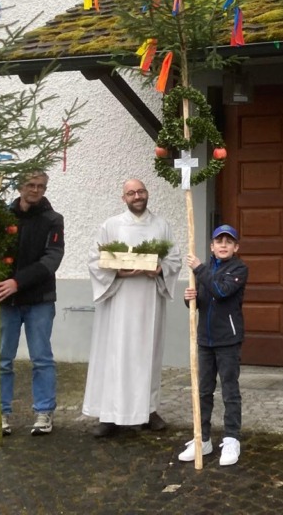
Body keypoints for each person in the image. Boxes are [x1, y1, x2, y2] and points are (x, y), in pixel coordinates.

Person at [82, 178, 181, 437]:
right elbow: (95, 260)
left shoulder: (161, 226)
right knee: (114, 355)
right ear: (123, 198)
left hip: (149, 300)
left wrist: (160, 268)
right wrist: (118, 272)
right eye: (131, 193)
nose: (137, 196)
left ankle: (148, 410)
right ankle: (110, 414)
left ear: (147, 194)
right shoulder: (110, 225)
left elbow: (174, 259)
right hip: (118, 302)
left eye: (141, 191)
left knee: (147, 355)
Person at [0, 171, 64, 437]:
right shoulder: (0, 218)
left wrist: (17, 282)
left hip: (39, 300)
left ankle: (44, 412)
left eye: (41, 186)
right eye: (31, 185)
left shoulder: (53, 220)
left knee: (41, 358)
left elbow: (51, 259)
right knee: (2, 359)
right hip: (6, 301)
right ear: (19, 187)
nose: (36, 190)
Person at [178, 224, 248, 467]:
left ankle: (231, 439)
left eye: (229, 242)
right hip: (205, 340)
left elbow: (220, 291)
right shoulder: (205, 270)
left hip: (228, 340)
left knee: (230, 391)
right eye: (219, 241)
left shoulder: (238, 269)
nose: (223, 245)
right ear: (212, 246)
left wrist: (199, 269)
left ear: (236, 247)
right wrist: (190, 299)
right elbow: (203, 301)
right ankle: (203, 438)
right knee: (203, 391)